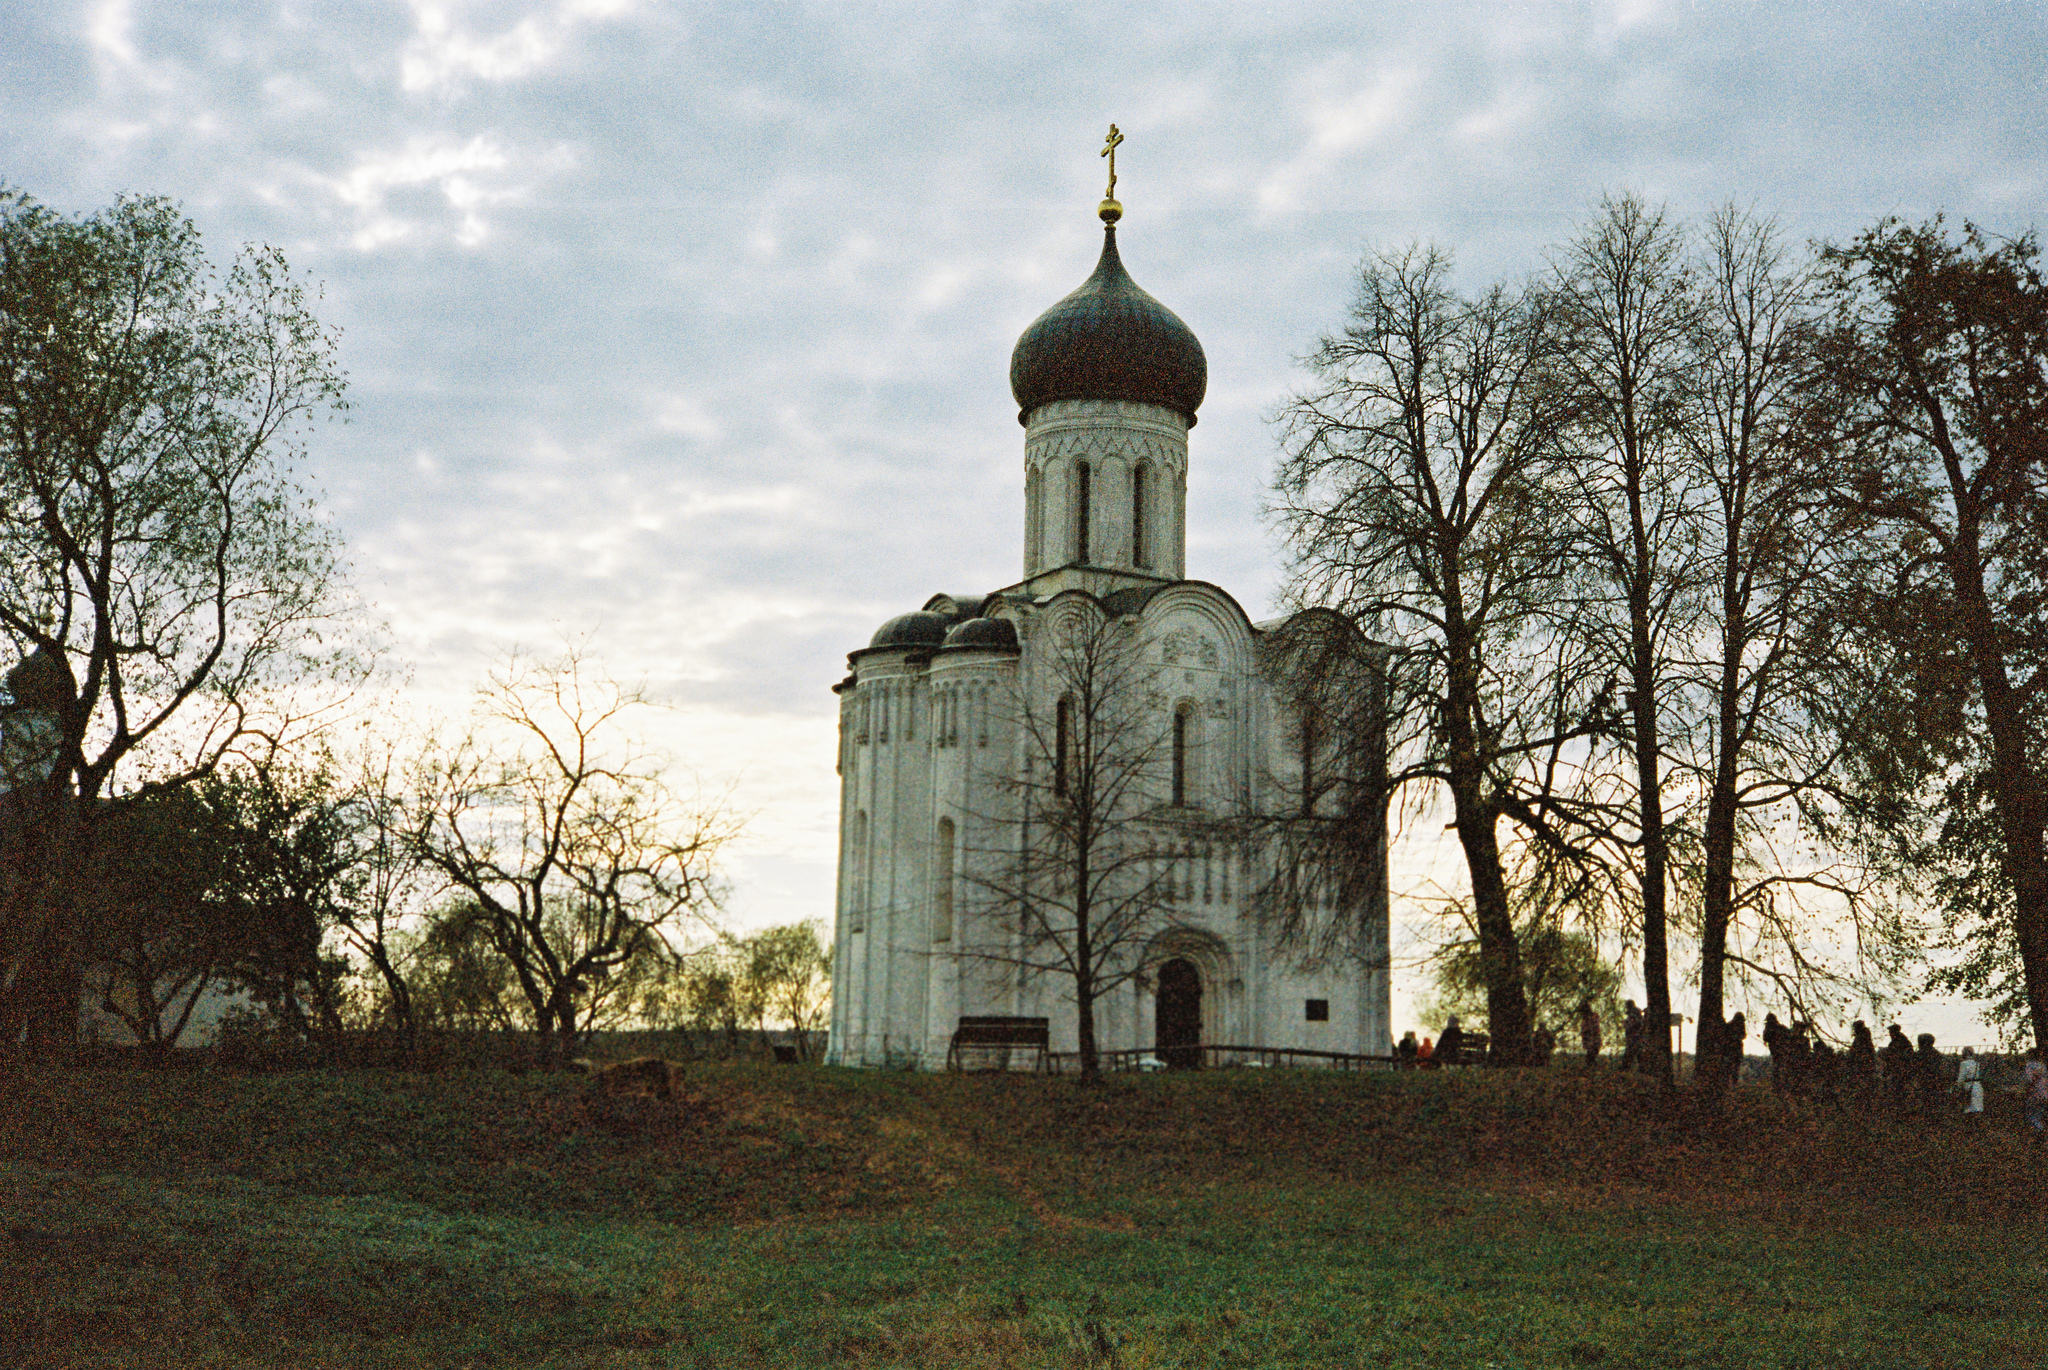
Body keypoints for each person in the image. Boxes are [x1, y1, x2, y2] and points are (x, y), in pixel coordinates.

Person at [1882, 1024, 1914, 1111]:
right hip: (1901, 1070)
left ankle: (1899, 1109)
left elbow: (1893, 1058)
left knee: (1898, 1091)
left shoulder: (1897, 1043)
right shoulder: (1904, 1041)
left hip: (1899, 1070)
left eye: (1890, 1032)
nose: (1890, 1034)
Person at [1846, 1021, 1878, 1105]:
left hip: (1862, 1067)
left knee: (1863, 1088)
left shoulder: (1861, 1039)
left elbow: (1857, 1054)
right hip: (1865, 1067)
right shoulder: (1864, 1038)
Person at [1915, 1034, 1945, 1119]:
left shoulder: (1920, 1054)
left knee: (1926, 1102)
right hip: (1936, 1081)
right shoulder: (1937, 1054)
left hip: (1924, 1081)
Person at [1955, 1047, 1984, 1124]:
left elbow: (1961, 1077)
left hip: (1968, 1086)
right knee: (1977, 1108)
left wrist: (1958, 1086)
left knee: (1968, 1108)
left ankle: (1969, 1127)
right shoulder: (1977, 1064)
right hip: (1978, 1086)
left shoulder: (1964, 1064)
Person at [2025, 1046, 2048, 1143]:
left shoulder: (2029, 1065)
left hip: (2035, 1093)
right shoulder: (2042, 1066)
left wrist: (2027, 1090)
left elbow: (2030, 1080)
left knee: (2031, 1115)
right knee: (2041, 1114)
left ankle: (2040, 1133)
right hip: (2045, 1093)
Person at [1620, 1000, 1644, 1073]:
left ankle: (1624, 1073)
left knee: (1628, 1058)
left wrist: (1625, 1023)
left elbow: (1632, 1025)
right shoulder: (1639, 1015)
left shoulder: (1633, 1015)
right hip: (1638, 1039)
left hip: (1634, 1039)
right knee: (1640, 1057)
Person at [1577, 1001, 1602, 1068]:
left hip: (1593, 1042)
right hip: (1592, 1043)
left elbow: (1592, 1031)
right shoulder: (1587, 1019)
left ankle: (1594, 1072)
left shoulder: (1591, 1018)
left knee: (1590, 1060)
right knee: (1590, 1059)